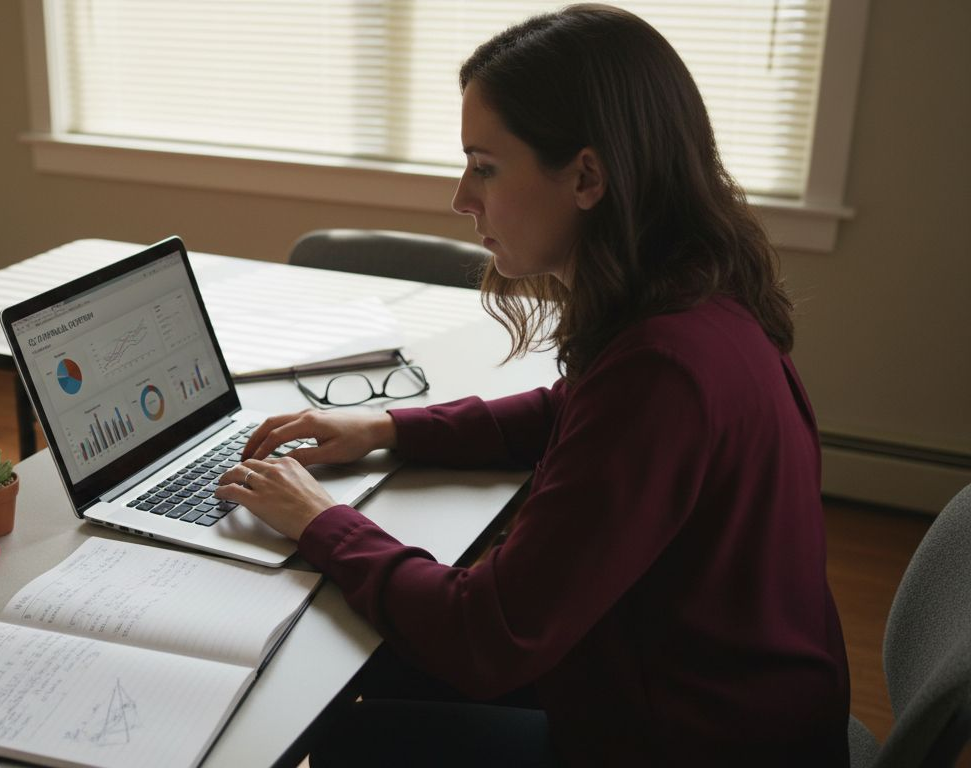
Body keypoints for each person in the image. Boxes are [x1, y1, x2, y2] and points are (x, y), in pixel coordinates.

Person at [213, 4, 851, 767]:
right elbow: (571, 411)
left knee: (349, 734)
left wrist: (319, 521)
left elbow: (488, 636)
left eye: (484, 166)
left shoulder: (664, 371)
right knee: (372, 660)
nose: (461, 197)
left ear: (586, 176)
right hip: (700, 695)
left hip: (691, 740)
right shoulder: (692, 302)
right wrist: (387, 429)